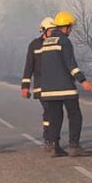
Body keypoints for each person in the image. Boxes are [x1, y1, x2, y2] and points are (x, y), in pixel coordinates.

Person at [39, 10, 92, 157]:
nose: (70, 30)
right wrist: (83, 80)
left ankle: (55, 147)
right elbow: (71, 64)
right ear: (66, 27)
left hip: (49, 90)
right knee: (75, 115)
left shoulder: (46, 42)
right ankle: (74, 145)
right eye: (70, 27)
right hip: (65, 88)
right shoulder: (64, 41)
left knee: (55, 118)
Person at [21, 17, 58, 152]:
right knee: (49, 111)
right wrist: (25, 86)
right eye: (51, 30)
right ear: (44, 31)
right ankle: (48, 139)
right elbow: (28, 67)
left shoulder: (57, 43)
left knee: (55, 113)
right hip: (42, 87)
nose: (53, 33)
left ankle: (53, 140)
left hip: (56, 87)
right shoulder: (35, 45)